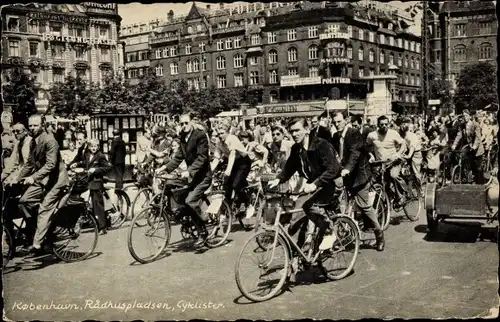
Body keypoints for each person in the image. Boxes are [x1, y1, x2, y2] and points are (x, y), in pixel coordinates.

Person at [268, 118, 341, 255]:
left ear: (307, 130)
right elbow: (289, 167)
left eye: (297, 130)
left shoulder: (321, 145)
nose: (294, 134)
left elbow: (333, 169)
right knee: (296, 216)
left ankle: (329, 231)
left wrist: (315, 184)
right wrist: (278, 179)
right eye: (292, 131)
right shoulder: (297, 149)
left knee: (309, 206)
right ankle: (297, 255)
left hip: (331, 183)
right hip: (313, 184)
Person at [16, 114, 70, 255]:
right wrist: (16, 179)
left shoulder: (50, 140)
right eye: (31, 126)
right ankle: (39, 230)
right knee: (23, 201)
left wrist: (33, 177)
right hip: (44, 180)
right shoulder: (34, 141)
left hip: (56, 180)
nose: (32, 128)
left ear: (42, 125)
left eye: (35, 125)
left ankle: (38, 244)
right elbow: (29, 164)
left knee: (45, 208)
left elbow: (51, 165)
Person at [331, 112, 384, 251]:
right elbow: (336, 155)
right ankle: (346, 232)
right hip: (346, 175)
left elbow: (355, 153)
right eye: (334, 122)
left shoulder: (353, 133)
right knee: (340, 204)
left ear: (346, 120)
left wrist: (348, 168)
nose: (337, 125)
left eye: (339, 121)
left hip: (359, 175)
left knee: (364, 206)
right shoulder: (336, 136)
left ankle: (379, 234)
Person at [160, 113, 212, 247]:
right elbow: (178, 157)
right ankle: (189, 220)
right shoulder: (182, 138)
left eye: (186, 123)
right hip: (191, 177)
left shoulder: (200, 136)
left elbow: (202, 158)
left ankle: (203, 231)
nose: (184, 126)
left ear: (191, 123)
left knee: (190, 201)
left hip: (203, 177)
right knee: (177, 194)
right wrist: (165, 168)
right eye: (182, 124)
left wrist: (188, 171)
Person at [211, 119, 252, 219]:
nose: (220, 136)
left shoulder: (232, 138)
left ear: (228, 132)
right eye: (218, 134)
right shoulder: (219, 142)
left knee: (236, 185)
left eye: (222, 133)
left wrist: (228, 171)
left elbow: (232, 155)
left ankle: (248, 202)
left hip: (243, 162)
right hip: (232, 163)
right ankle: (227, 211)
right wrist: (209, 171)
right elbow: (216, 158)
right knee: (226, 187)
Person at [71, 139, 111, 234]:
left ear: (98, 147)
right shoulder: (87, 154)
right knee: (87, 201)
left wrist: (96, 170)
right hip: (88, 181)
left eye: (95, 146)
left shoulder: (100, 156)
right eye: (92, 146)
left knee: (98, 204)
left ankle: (102, 227)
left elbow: (108, 167)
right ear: (89, 147)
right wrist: (77, 164)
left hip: (96, 182)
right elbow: (86, 163)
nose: (93, 148)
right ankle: (90, 221)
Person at [366, 115, 408, 207]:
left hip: (394, 162)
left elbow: (403, 144)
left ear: (389, 124)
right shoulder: (372, 135)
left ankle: (402, 194)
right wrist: (371, 155)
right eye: (381, 124)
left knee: (393, 175)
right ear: (378, 125)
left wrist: (398, 154)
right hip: (380, 163)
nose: (384, 126)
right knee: (377, 182)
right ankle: (383, 203)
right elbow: (366, 147)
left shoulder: (393, 133)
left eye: (386, 124)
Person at [400, 118, 423, 183]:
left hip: (416, 154)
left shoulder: (409, 136)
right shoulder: (406, 135)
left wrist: (408, 156)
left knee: (416, 172)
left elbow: (412, 146)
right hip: (411, 152)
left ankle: (420, 187)